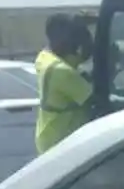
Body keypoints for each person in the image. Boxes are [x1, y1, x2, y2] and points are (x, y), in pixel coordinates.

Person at [35, 13, 95, 155]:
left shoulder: (45, 58)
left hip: (48, 137)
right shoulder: (61, 72)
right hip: (61, 144)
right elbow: (96, 99)